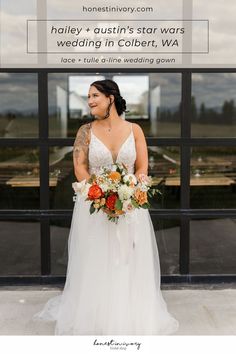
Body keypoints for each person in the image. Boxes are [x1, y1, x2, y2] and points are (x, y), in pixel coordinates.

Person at [33, 79, 179, 335]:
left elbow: (142, 167)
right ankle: (95, 317)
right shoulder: (84, 131)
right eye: (88, 96)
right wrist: (99, 193)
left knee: (128, 262)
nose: (89, 101)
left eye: (94, 96)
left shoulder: (135, 130)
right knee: (96, 261)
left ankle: (129, 315)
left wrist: (134, 187)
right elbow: (80, 167)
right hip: (95, 207)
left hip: (131, 207)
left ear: (111, 97)